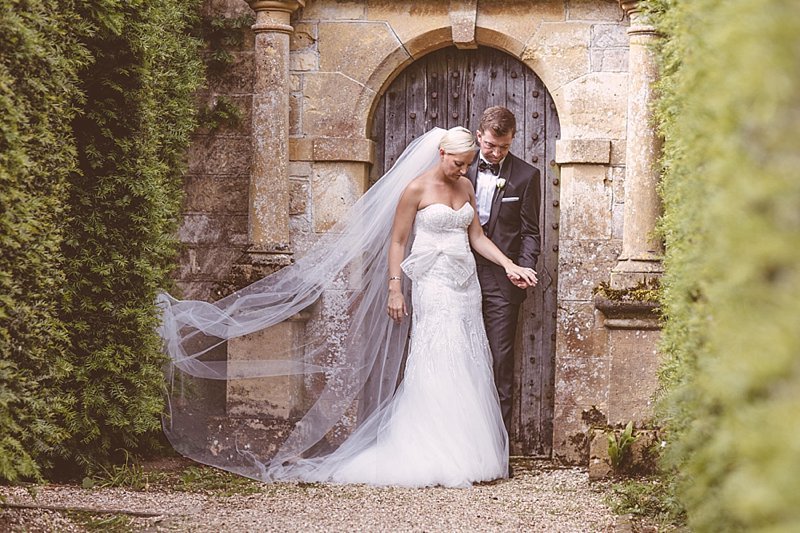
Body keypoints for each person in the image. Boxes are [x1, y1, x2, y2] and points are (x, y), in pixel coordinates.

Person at [157, 127, 534, 488]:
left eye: (468, 163)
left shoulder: (465, 186)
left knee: (469, 357)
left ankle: (469, 451)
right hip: (432, 283)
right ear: (442, 154)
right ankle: (433, 449)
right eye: (458, 163)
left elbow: (477, 237)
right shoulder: (416, 188)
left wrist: (509, 265)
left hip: (464, 284)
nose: (463, 170)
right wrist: (394, 289)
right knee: (437, 356)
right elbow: (398, 243)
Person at [467, 106, 542, 437]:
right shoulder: (457, 168)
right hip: (457, 275)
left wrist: (524, 267)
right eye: (490, 146)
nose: (496, 154)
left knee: (500, 361)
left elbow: (530, 232)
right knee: (456, 356)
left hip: (502, 282)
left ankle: (497, 449)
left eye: (504, 147)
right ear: (479, 136)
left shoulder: (526, 176)